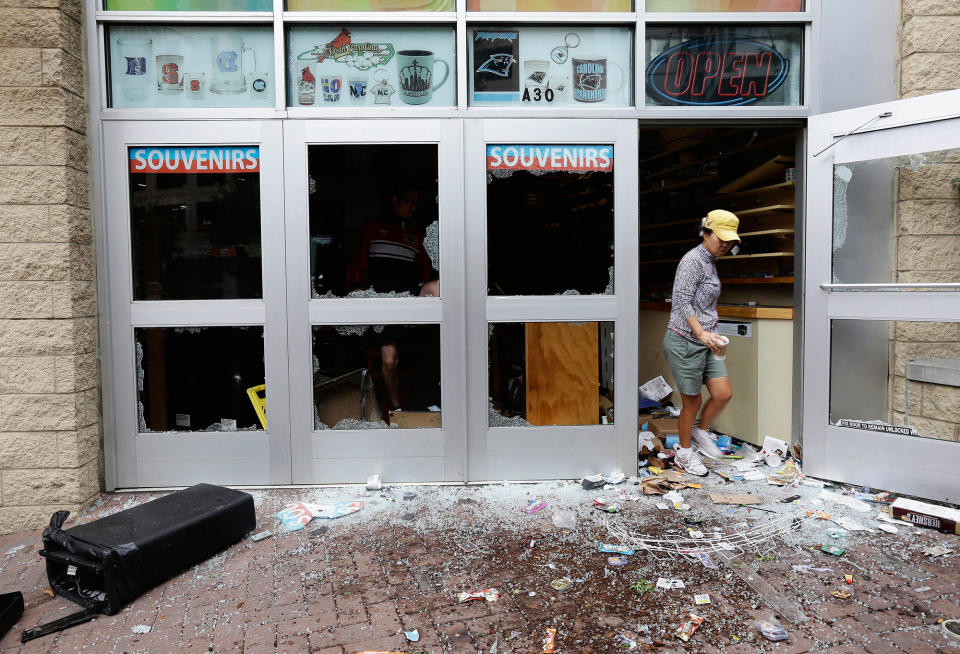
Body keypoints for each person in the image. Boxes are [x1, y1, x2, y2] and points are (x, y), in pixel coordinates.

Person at [662, 209, 740, 477]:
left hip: (707, 341)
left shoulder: (711, 260)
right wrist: (701, 333)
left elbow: (703, 303)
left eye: (731, 242)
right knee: (692, 402)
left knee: (723, 393)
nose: (727, 246)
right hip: (685, 341)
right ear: (706, 232)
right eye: (722, 239)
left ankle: (700, 433)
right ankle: (684, 454)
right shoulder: (692, 260)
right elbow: (682, 301)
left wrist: (711, 334)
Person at [346, 184, 437, 413]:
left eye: (417, 203)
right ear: (395, 200)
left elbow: (425, 270)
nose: (413, 207)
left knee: (439, 289)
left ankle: (434, 394)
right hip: (382, 300)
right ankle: (396, 408)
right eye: (410, 202)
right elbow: (357, 262)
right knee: (389, 360)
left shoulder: (417, 233)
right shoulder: (374, 227)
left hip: (411, 296)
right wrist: (357, 289)